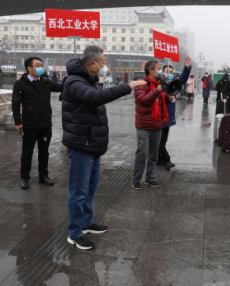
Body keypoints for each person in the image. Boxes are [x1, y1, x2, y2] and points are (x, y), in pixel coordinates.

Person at [62, 46, 146, 250]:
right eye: (103, 61)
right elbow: (94, 99)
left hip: (93, 145)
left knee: (89, 189)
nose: (105, 66)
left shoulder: (88, 81)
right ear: (92, 63)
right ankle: (74, 233)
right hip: (82, 145)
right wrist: (129, 86)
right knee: (78, 191)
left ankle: (86, 222)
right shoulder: (74, 81)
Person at [12, 57, 63, 190]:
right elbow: (15, 104)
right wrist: (18, 122)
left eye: (41, 65)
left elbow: (61, 87)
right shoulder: (20, 84)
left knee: (44, 152)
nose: (41, 67)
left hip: (45, 124)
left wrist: (74, 79)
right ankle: (24, 178)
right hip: (29, 125)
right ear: (29, 68)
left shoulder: (46, 82)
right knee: (27, 152)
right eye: (37, 65)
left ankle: (43, 176)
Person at [132, 60, 171, 190]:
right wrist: (158, 90)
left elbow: (159, 103)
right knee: (142, 154)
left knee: (153, 155)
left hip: (157, 125)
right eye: (159, 69)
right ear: (151, 71)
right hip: (144, 126)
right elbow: (143, 100)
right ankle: (136, 178)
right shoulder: (141, 84)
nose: (160, 72)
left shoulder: (158, 84)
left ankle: (150, 178)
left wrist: (168, 98)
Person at [157, 58, 192, 170]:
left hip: (169, 116)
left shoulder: (173, 83)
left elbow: (183, 79)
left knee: (163, 140)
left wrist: (186, 68)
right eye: (167, 72)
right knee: (160, 141)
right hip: (159, 116)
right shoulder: (158, 83)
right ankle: (166, 160)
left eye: (171, 72)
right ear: (162, 72)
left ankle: (159, 159)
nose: (169, 74)